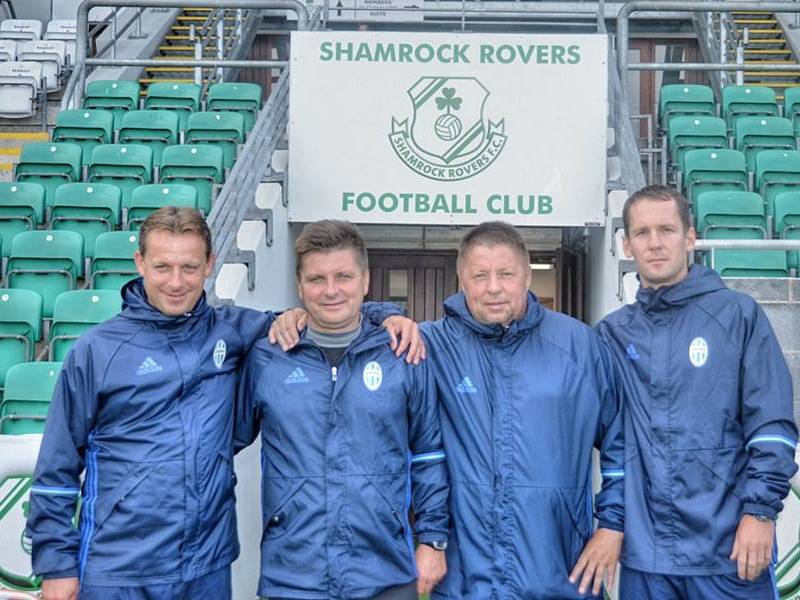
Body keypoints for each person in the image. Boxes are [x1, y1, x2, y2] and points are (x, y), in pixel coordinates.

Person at [27, 208, 422, 600]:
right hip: (118, 568)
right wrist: (56, 565)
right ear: (140, 263)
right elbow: (57, 465)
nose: (176, 282)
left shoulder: (233, 330)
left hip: (206, 567)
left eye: (190, 267)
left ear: (210, 265)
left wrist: (383, 315)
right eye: (163, 267)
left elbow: (330, 311)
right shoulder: (96, 350)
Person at [272, 221, 626, 598]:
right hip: (464, 579)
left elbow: (621, 443)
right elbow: (347, 315)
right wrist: (358, 315)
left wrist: (612, 526)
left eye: (505, 274)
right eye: (479, 275)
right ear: (461, 279)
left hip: (559, 575)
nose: (493, 287)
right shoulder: (427, 346)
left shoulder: (579, 347)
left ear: (526, 276)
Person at [596, 185, 798, 599]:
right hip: (647, 558)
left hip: (730, 549)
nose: (655, 243)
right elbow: (610, 441)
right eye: (642, 232)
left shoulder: (739, 315)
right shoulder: (612, 335)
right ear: (626, 244)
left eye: (666, 230)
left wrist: (760, 512)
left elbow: (772, 425)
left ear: (690, 238)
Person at [235, 220, 449, 600]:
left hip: (384, 572)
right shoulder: (267, 356)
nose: (331, 290)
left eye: (344, 276)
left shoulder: (403, 353)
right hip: (293, 575)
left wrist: (432, 540)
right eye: (317, 279)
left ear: (365, 281)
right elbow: (227, 440)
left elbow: (429, 454)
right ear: (300, 285)